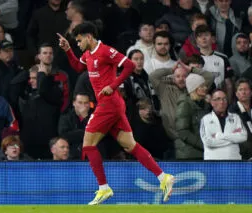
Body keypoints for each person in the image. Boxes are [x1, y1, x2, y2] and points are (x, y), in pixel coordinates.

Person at [58, 21, 174, 205]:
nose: (78, 45)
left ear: (89, 37)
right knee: (130, 145)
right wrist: (67, 50)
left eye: (79, 41)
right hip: (111, 105)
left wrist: (112, 86)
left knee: (88, 145)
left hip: (109, 104)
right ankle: (163, 177)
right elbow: (78, 67)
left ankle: (104, 188)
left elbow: (128, 65)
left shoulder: (105, 51)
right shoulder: (88, 54)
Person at [200, 89, 247, 160]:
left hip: (234, 161)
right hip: (213, 163)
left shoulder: (235, 117)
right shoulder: (205, 119)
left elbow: (243, 137)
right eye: (218, 99)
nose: (222, 102)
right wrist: (233, 139)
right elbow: (208, 142)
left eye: (224, 99)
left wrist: (220, 136)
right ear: (212, 102)